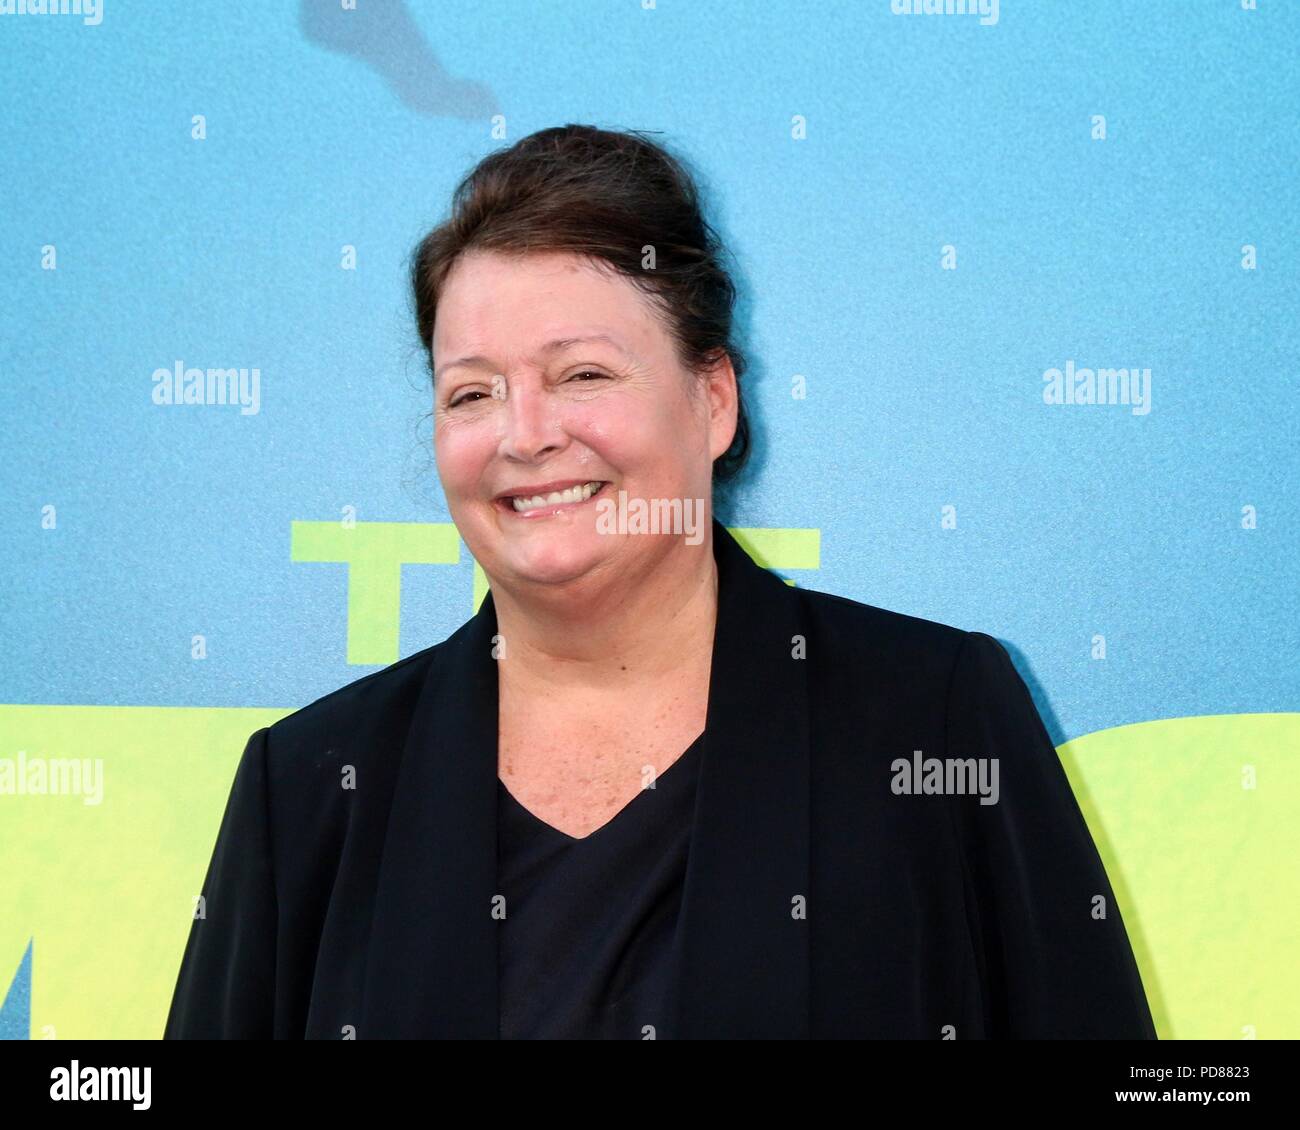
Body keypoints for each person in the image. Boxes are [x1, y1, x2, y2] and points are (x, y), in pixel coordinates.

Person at [164, 124, 1157, 1040]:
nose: (525, 433)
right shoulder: (306, 789)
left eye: (583, 374)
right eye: (472, 391)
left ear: (713, 400)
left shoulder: (935, 716)